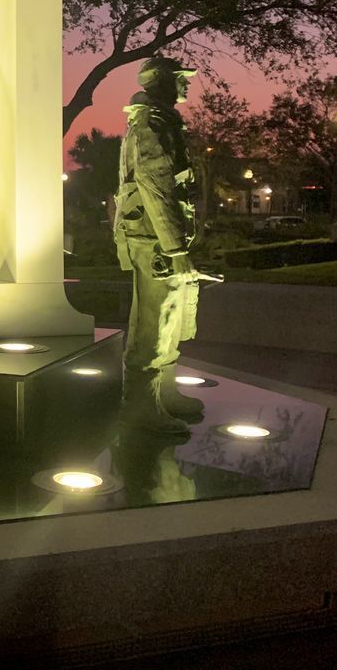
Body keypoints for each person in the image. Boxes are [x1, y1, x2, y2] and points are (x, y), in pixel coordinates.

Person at [113, 56, 205, 435]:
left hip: (159, 237)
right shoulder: (151, 122)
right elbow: (155, 184)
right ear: (162, 81)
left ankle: (162, 393)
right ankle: (140, 407)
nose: (187, 84)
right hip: (153, 240)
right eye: (181, 78)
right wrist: (175, 249)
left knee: (170, 316)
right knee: (155, 321)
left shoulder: (159, 118)